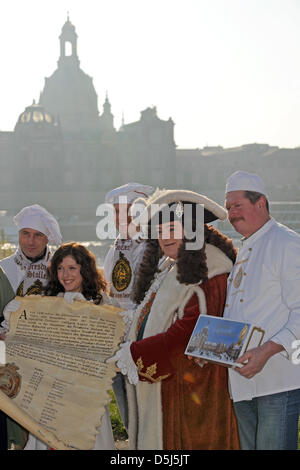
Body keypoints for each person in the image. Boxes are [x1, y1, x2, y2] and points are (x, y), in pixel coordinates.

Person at [110, 189, 240, 450]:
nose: (164, 237)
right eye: (159, 231)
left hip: (191, 395)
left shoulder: (213, 269)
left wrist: (135, 353)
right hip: (169, 387)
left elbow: (193, 331)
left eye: (171, 228)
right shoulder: (170, 266)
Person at [5, 242, 117, 450]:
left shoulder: (102, 305)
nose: (65, 275)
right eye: (60, 268)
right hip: (50, 396)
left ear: (85, 270)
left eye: (72, 268)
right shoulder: (47, 302)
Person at [223, 170, 300, 450]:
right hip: (242, 381)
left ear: (260, 203)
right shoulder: (244, 250)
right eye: (228, 207)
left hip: (278, 381)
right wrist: (211, 349)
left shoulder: (288, 244)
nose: (231, 213)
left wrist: (266, 351)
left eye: (237, 205)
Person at [0, 204, 62, 450]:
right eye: (26, 233)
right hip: (9, 358)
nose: (31, 241)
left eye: (37, 235)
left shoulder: (61, 267)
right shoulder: (4, 268)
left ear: (47, 237)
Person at [103, 182, 153, 430]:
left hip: (140, 343)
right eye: (115, 212)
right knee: (127, 417)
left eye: (126, 211)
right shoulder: (115, 247)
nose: (120, 218)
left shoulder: (151, 246)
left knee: (145, 419)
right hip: (116, 342)